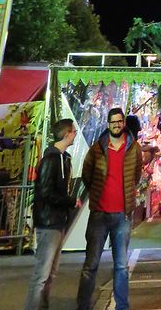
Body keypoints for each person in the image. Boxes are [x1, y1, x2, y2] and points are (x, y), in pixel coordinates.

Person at [76, 107, 142, 310]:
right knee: (91, 265)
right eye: (113, 122)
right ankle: (83, 306)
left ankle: (122, 306)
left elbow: (136, 175)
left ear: (123, 123)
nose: (116, 125)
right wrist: (97, 194)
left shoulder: (134, 148)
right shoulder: (97, 149)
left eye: (119, 121)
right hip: (99, 214)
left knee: (121, 266)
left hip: (122, 215)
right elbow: (87, 174)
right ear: (108, 124)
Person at [23, 118, 80, 310]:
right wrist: (70, 201)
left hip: (56, 221)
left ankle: (42, 306)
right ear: (66, 134)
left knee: (50, 273)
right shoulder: (51, 159)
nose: (75, 134)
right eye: (73, 131)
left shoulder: (63, 159)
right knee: (42, 274)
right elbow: (46, 192)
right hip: (48, 223)